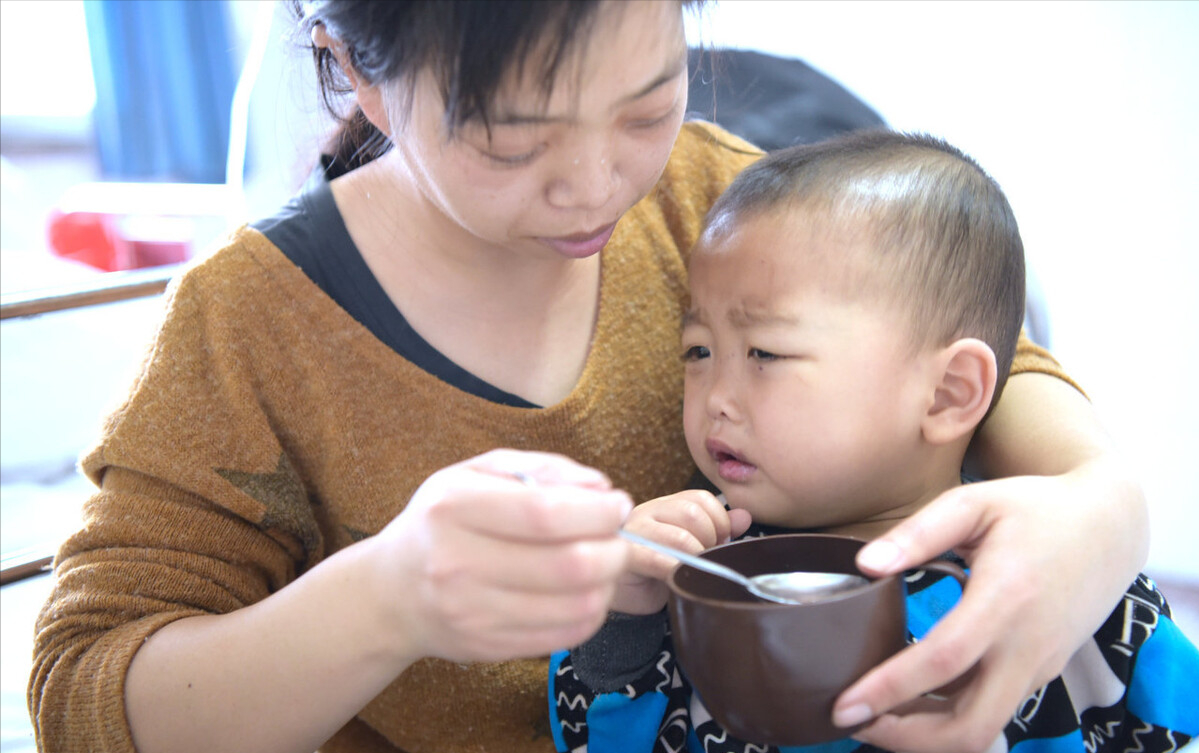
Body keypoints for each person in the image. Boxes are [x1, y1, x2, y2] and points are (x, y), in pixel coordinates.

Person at [27, 2, 1150, 752]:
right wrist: (387, 601)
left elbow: (976, 359)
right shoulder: (250, 327)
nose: (596, 188)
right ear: (357, 75)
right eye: (514, 142)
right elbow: (83, 697)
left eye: (646, 106)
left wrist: (1099, 508)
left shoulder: (711, 195)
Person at [550, 131, 1199, 752]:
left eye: (765, 352)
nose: (713, 395)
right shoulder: (707, 578)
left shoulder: (1061, 574)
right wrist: (625, 614)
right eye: (697, 349)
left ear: (946, 393)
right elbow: (592, 737)